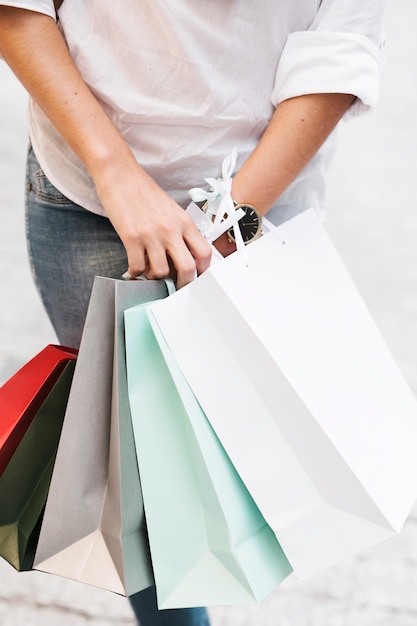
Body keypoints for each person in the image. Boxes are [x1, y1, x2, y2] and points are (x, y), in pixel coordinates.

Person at [0, 1, 386, 624]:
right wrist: (116, 174)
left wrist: (232, 221)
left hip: (260, 190)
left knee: (241, 460)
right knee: (139, 479)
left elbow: (342, 40)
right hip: (90, 193)